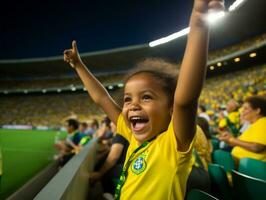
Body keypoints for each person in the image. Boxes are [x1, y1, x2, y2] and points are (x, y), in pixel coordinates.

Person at [63, 0, 224, 199]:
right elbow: (102, 98)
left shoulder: (173, 144)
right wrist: (79, 66)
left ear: (171, 108)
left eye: (146, 97)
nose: (133, 105)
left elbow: (185, 100)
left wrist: (199, 21)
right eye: (127, 99)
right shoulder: (132, 136)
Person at [219, 95, 266, 165]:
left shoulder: (263, 122)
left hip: (250, 169)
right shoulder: (253, 125)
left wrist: (231, 139)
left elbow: (257, 147)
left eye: (246, 108)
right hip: (240, 165)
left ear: (257, 110)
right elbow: (240, 143)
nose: (242, 111)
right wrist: (228, 139)